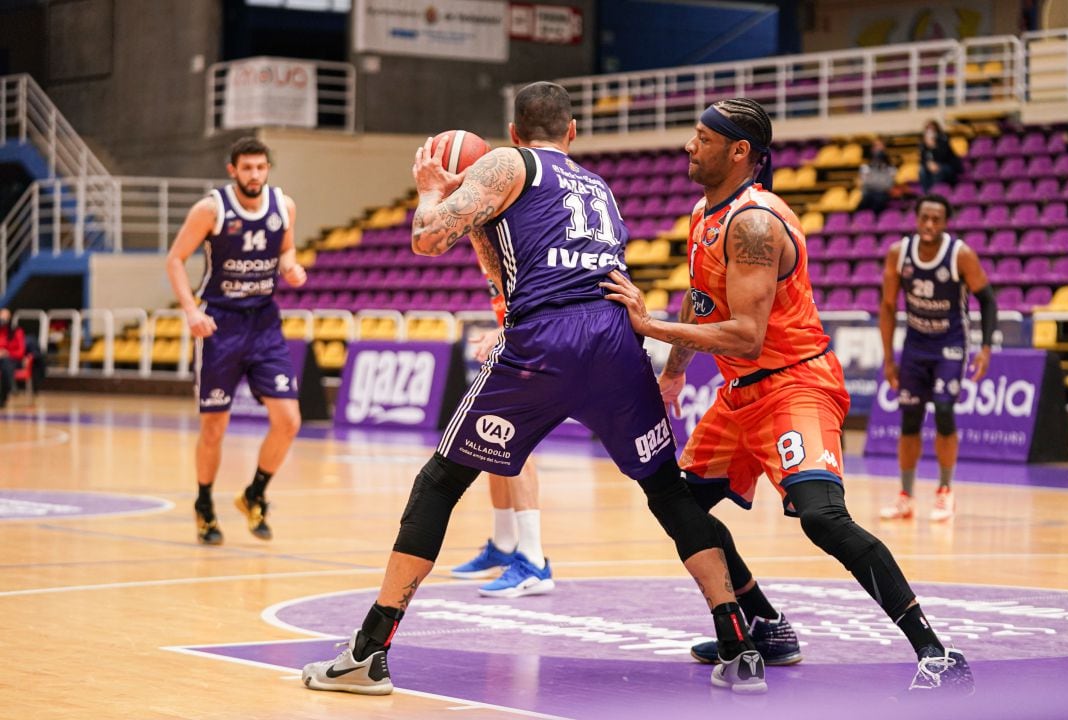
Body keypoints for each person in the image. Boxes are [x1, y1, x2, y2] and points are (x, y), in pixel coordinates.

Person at [302, 81, 777, 697]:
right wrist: (476, 218)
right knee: (665, 490)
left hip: (548, 342)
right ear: (572, 133)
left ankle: (370, 653)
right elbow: (503, 262)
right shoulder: (597, 186)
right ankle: (739, 644)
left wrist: (431, 192)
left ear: (516, 132)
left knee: (440, 482)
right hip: (614, 340)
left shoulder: (507, 163)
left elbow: (425, 239)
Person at [602, 98, 974, 694]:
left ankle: (935, 650)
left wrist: (651, 329)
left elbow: (748, 337)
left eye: (701, 138)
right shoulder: (704, 214)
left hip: (795, 383)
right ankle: (766, 624)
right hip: (739, 396)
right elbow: (702, 303)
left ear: (739, 151)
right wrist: (674, 373)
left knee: (823, 520)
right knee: (679, 505)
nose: (689, 147)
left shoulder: (754, 223)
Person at [165, 137, 307, 545]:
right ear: (233, 170)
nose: (255, 175)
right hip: (220, 323)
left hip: (264, 322)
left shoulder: (284, 205)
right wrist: (191, 311)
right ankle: (205, 504)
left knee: (289, 421)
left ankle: (254, 494)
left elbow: (287, 248)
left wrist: (291, 267)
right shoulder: (211, 209)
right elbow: (175, 259)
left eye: (261, 167)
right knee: (214, 426)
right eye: (247, 168)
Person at [879, 194, 996, 522]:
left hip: (950, 344)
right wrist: (889, 358)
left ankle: (945, 491)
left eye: (937, 219)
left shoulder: (960, 255)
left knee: (944, 411)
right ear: (916, 219)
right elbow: (888, 306)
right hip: (915, 345)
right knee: (910, 419)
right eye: (925, 218)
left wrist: (985, 349)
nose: (930, 224)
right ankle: (905, 496)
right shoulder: (898, 254)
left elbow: (988, 300)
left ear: (945, 223)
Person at [452, 325, 553, 598]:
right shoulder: (495, 281)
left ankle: (533, 560)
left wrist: (508, 330)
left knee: (515, 441)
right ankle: (505, 544)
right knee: (495, 441)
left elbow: (546, 300)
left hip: (548, 346)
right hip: (524, 344)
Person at [918, 120, 962, 194]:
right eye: (928, 129)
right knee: (922, 171)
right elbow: (923, 159)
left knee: (938, 171)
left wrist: (933, 146)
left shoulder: (943, 140)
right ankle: (926, 194)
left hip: (947, 166)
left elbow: (944, 157)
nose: (930, 132)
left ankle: (936, 193)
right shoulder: (923, 144)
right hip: (932, 166)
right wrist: (928, 164)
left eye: (932, 129)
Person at [855, 138, 896, 213]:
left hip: (883, 195)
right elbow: (864, 183)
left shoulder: (890, 168)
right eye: (876, 146)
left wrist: (873, 182)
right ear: (872, 149)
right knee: (864, 201)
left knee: (879, 199)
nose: (878, 149)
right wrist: (878, 183)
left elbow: (888, 185)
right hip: (868, 194)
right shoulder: (865, 167)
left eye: (881, 146)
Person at [0, 307, 27, 408]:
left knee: (6, 363)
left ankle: (3, 397)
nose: (3, 320)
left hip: (14, 361)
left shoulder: (17, 331)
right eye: (1, 316)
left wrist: (7, 353)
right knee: (4, 365)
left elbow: (21, 351)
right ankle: (12, 386)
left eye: (6, 317)